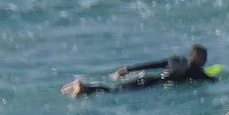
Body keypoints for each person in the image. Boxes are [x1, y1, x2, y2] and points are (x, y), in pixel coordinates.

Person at [63, 45, 215, 97]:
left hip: (147, 78)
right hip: (151, 84)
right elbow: (211, 80)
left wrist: (128, 69)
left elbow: (153, 64)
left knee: (115, 89)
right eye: (204, 57)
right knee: (114, 92)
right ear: (196, 57)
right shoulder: (195, 71)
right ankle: (83, 88)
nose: (206, 61)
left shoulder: (175, 60)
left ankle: (84, 88)